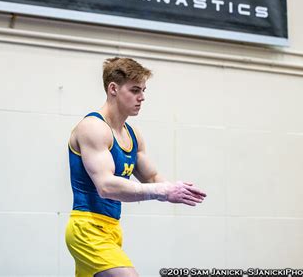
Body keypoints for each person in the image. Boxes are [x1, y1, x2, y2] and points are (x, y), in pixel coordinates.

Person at [65, 57, 207, 277]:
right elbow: (106, 186)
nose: (142, 98)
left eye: (143, 90)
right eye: (134, 90)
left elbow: (151, 178)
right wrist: (161, 192)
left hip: (112, 228)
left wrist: (174, 189)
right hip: (87, 229)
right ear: (113, 88)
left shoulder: (133, 135)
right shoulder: (93, 127)